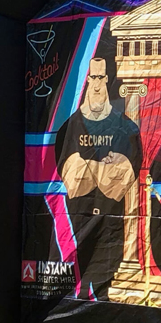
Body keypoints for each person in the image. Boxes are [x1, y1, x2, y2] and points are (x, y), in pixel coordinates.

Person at [55, 58, 142, 300]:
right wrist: (104, 169)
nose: (96, 85)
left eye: (101, 78)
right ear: (86, 82)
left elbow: (126, 174)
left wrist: (90, 167)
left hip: (112, 220)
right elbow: (71, 175)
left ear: (107, 81)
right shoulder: (71, 126)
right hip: (78, 216)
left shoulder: (125, 126)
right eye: (92, 78)